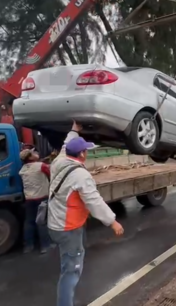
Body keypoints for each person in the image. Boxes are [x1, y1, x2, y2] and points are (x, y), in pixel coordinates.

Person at [48, 121, 124, 306]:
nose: (87, 152)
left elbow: (67, 145)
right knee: (71, 271)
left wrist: (75, 130)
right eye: (86, 150)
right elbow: (94, 202)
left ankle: (67, 296)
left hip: (55, 225)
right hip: (68, 228)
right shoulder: (81, 176)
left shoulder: (59, 162)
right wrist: (113, 222)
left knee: (68, 261)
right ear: (82, 153)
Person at [19, 148, 52, 254]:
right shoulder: (41, 166)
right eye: (33, 153)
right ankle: (45, 246)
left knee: (29, 222)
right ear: (30, 157)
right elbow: (51, 175)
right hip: (42, 198)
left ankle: (28, 246)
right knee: (41, 222)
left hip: (29, 199)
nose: (36, 153)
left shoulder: (23, 169)